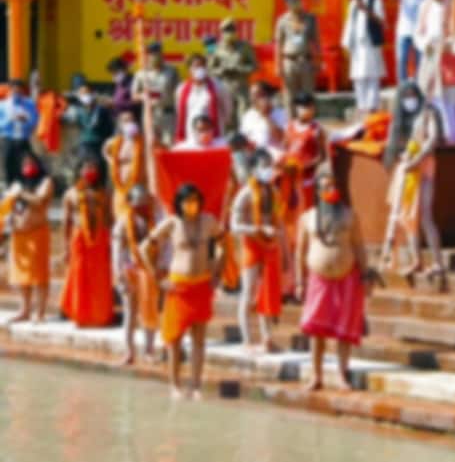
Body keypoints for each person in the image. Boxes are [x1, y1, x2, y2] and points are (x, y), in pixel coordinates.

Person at [295, 167, 378, 391]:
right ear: (318, 191)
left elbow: (359, 246)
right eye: (325, 187)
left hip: (347, 278)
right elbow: (300, 252)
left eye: (333, 186)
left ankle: (342, 375)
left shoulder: (350, 216)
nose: (330, 190)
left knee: (344, 331)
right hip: (318, 279)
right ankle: (316, 376)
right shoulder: (308, 218)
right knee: (316, 331)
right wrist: (300, 282)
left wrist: (366, 274)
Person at [140, 183, 225, 400]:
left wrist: (217, 271)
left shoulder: (208, 221)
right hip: (178, 287)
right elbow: (144, 248)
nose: (191, 204)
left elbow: (223, 244)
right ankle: (174, 386)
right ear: (179, 203)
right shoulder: (171, 223)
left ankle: (196, 386)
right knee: (175, 340)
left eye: (195, 200)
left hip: (201, 285)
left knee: (199, 340)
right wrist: (158, 278)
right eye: (187, 201)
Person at [380, 82, 446, 289]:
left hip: (424, 168)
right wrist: (403, 159)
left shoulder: (428, 113)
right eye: (405, 95)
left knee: (425, 215)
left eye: (412, 94)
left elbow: (433, 138)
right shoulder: (399, 117)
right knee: (407, 215)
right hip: (406, 170)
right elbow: (394, 144)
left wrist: (417, 158)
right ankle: (416, 260)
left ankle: (438, 262)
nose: (409, 99)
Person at [231, 149, 287, 352]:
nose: (268, 170)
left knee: (267, 292)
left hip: (271, 246)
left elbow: (280, 223)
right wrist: (258, 229)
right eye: (264, 166)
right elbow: (234, 225)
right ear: (253, 169)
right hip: (251, 245)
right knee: (248, 292)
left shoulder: (275, 193)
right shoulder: (245, 193)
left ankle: (267, 338)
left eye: (270, 165)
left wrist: (285, 252)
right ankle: (247, 340)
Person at [111, 184, 165, 365]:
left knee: (150, 310)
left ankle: (149, 351)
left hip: (149, 270)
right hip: (129, 270)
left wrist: (162, 267)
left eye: (145, 203)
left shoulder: (156, 220)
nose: (142, 207)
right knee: (130, 312)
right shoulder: (122, 222)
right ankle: (129, 351)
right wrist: (119, 275)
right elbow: (117, 251)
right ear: (130, 203)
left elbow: (164, 246)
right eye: (138, 203)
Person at [59, 155, 114, 327]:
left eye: (93, 167)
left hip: (100, 238)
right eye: (86, 167)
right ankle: (80, 315)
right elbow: (66, 221)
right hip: (79, 237)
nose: (90, 171)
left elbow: (110, 218)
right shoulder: (71, 194)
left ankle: (100, 316)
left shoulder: (105, 193)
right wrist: (66, 247)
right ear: (80, 171)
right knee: (79, 275)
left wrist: (112, 242)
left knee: (99, 277)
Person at [415, 0, 455, 144]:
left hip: (450, 53)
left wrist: (451, 44)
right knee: (429, 92)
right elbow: (418, 34)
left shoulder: (453, 3)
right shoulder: (425, 6)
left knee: (452, 95)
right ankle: (432, 131)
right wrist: (427, 46)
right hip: (431, 53)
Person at [1, 150, 53, 324]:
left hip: (37, 233)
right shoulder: (17, 184)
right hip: (18, 234)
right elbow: (7, 205)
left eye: (31, 163)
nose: (28, 166)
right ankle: (24, 310)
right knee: (20, 275)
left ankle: (40, 312)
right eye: (24, 164)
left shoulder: (45, 182)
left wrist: (20, 193)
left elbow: (39, 200)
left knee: (39, 275)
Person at [342, 0, 387, 116]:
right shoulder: (352, 2)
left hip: (370, 42)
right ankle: (361, 107)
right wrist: (346, 43)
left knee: (372, 75)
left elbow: (381, 21)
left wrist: (366, 9)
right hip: (357, 45)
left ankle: (372, 107)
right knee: (358, 77)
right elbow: (349, 23)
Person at [275, 0, 320, 113]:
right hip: (289, 61)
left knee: (308, 94)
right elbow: (279, 44)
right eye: (289, 2)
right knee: (289, 95)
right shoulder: (282, 20)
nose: (293, 3)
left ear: (300, 0)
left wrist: (318, 61)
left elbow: (316, 41)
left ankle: (308, 120)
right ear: (286, 4)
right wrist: (278, 65)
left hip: (306, 60)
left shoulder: (310, 19)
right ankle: (291, 121)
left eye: (295, 0)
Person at [283, 92, 328, 212]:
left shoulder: (316, 129)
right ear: (296, 108)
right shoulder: (289, 126)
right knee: (288, 211)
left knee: (306, 211)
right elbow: (285, 148)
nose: (307, 110)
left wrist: (303, 167)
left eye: (310, 106)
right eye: (304, 106)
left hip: (307, 180)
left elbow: (322, 156)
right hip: (289, 177)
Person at [174, 54, 232, 144]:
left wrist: (221, 124)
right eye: (196, 66)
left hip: (214, 133)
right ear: (189, 69)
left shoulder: (218, 86)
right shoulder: (181, 89)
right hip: (191, 134)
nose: (199, 69)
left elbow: (227, 108)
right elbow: (179, 110)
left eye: (202, 66)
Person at [209, 16, 257, 123]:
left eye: (232, 29)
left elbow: (254, 66)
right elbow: (210, 70)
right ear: (222, 32)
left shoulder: (244, 46)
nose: (230, 32)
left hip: (242, 87)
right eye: (227, 30)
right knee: (228, 119)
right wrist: (222, 70)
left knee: (244, 118)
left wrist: (240, 69)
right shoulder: (216, 48)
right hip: (225, 87)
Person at [389, 0, 427, 82]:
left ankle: (419, 87)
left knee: (420, 61)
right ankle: (403, 87)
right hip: (404, 27)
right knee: (402, 58)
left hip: (421, 28)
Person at [102, 107, 147, 218]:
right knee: (120, 218)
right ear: (120, 124)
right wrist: (110, 161)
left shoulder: (143, 141)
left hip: (138, 187)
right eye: (126, 121)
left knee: (136, 219)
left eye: (132, 120)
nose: (129, 123)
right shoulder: (115, 141)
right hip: (120, 188)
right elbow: (104, 149)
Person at [132, 41, 178, 144]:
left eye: (158, 53)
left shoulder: (171, 71)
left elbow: (178, 92)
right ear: (148, 56)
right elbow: (134, 95)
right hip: (150, 115)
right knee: (151, 144)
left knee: (168, 144)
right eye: (152, 54)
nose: (156, 56)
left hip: (168, 115)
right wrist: (143, 96)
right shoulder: (141, 73)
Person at [65, 77, 115, 163]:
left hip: (100, 143)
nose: (85, 96)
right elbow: (76, 123)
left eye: (87, 93)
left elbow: (109, 127)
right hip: (85, 143)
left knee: (99, 166)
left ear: (92, 94)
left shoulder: (101, 110)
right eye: (82, 94)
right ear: (79, 97)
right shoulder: (79, 111)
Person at [0, 79, 39, 183]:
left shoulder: (29, 104)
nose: (17, 92)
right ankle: (9, 187)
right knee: (8, 164)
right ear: (10, 90)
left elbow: (34, 122)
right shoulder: (2, 105)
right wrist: (10, 119)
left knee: (27, 165)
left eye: (19, 90)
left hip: (23, 140)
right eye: (14, 90)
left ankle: (25, 186)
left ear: (22, 91)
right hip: (8, 139)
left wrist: (25, 120)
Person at [239, 81, 288, 160]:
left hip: (275, 159)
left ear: (266, 96)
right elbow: (244, 140)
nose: (252, 98)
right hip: (254, 159)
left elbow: (281, 139)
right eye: (251, 95)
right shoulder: (248, 116)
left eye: (256, 95)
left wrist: (266, 116)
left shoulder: (281, 113)